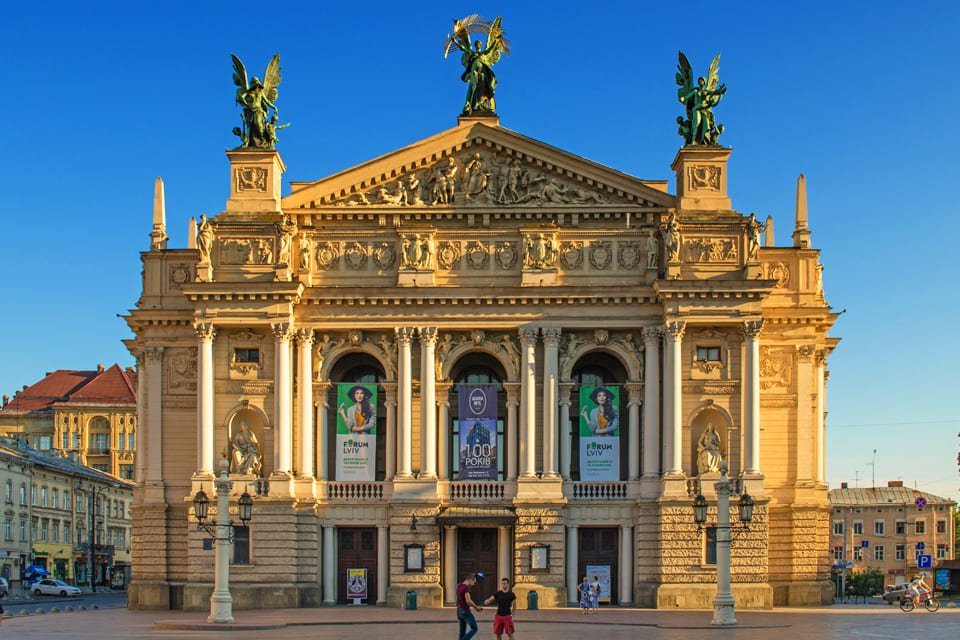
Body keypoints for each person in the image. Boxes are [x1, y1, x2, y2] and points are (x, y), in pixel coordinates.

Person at [456, 573, 483, 640]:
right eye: (474, 582)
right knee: (474, 628)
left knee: (462, 632)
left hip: (459, 611)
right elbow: (468, 601)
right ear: (471, 580)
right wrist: (476, 608)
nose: (474, 584)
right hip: (465, 611)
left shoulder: (459, 585)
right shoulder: (466, 587)